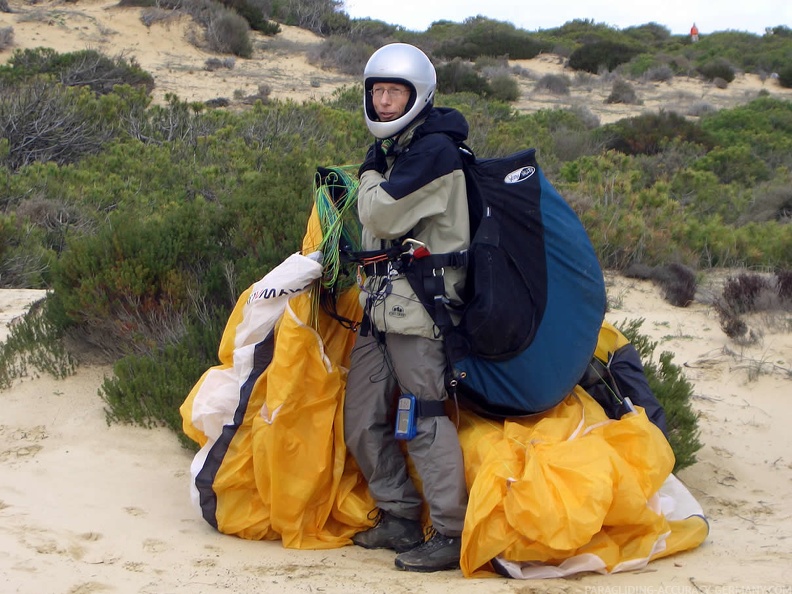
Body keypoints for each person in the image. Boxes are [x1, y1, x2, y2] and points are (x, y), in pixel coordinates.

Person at [342, 43, 470, 573]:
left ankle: (451, 532)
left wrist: (369, 174)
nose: (385, 101)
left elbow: (381, 213)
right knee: (362, 417)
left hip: (420, 312)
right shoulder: (401, 151)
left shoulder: (434, 152)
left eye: (396, 91)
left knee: (424, 417)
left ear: (419, 97)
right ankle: (398, 516)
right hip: (380, 308)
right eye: (378, 91)